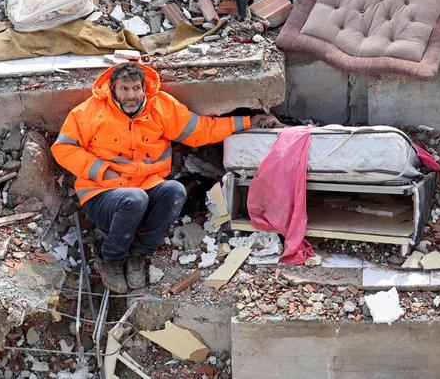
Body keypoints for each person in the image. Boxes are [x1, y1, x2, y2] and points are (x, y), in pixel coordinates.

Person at [51, 62, 280, 293]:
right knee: (135, 199)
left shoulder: (160, 107)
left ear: (144, 88)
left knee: (174, 191)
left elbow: (201, 130)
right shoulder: (88, 111)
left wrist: (250, 122)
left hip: (146, 190)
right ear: (112, 89)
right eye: (124, 89)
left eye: (136, 88)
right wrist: (101, 170)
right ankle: (111, 259)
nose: (131, 95)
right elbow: (63, 149)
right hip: (102, 195)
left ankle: (139, 255)